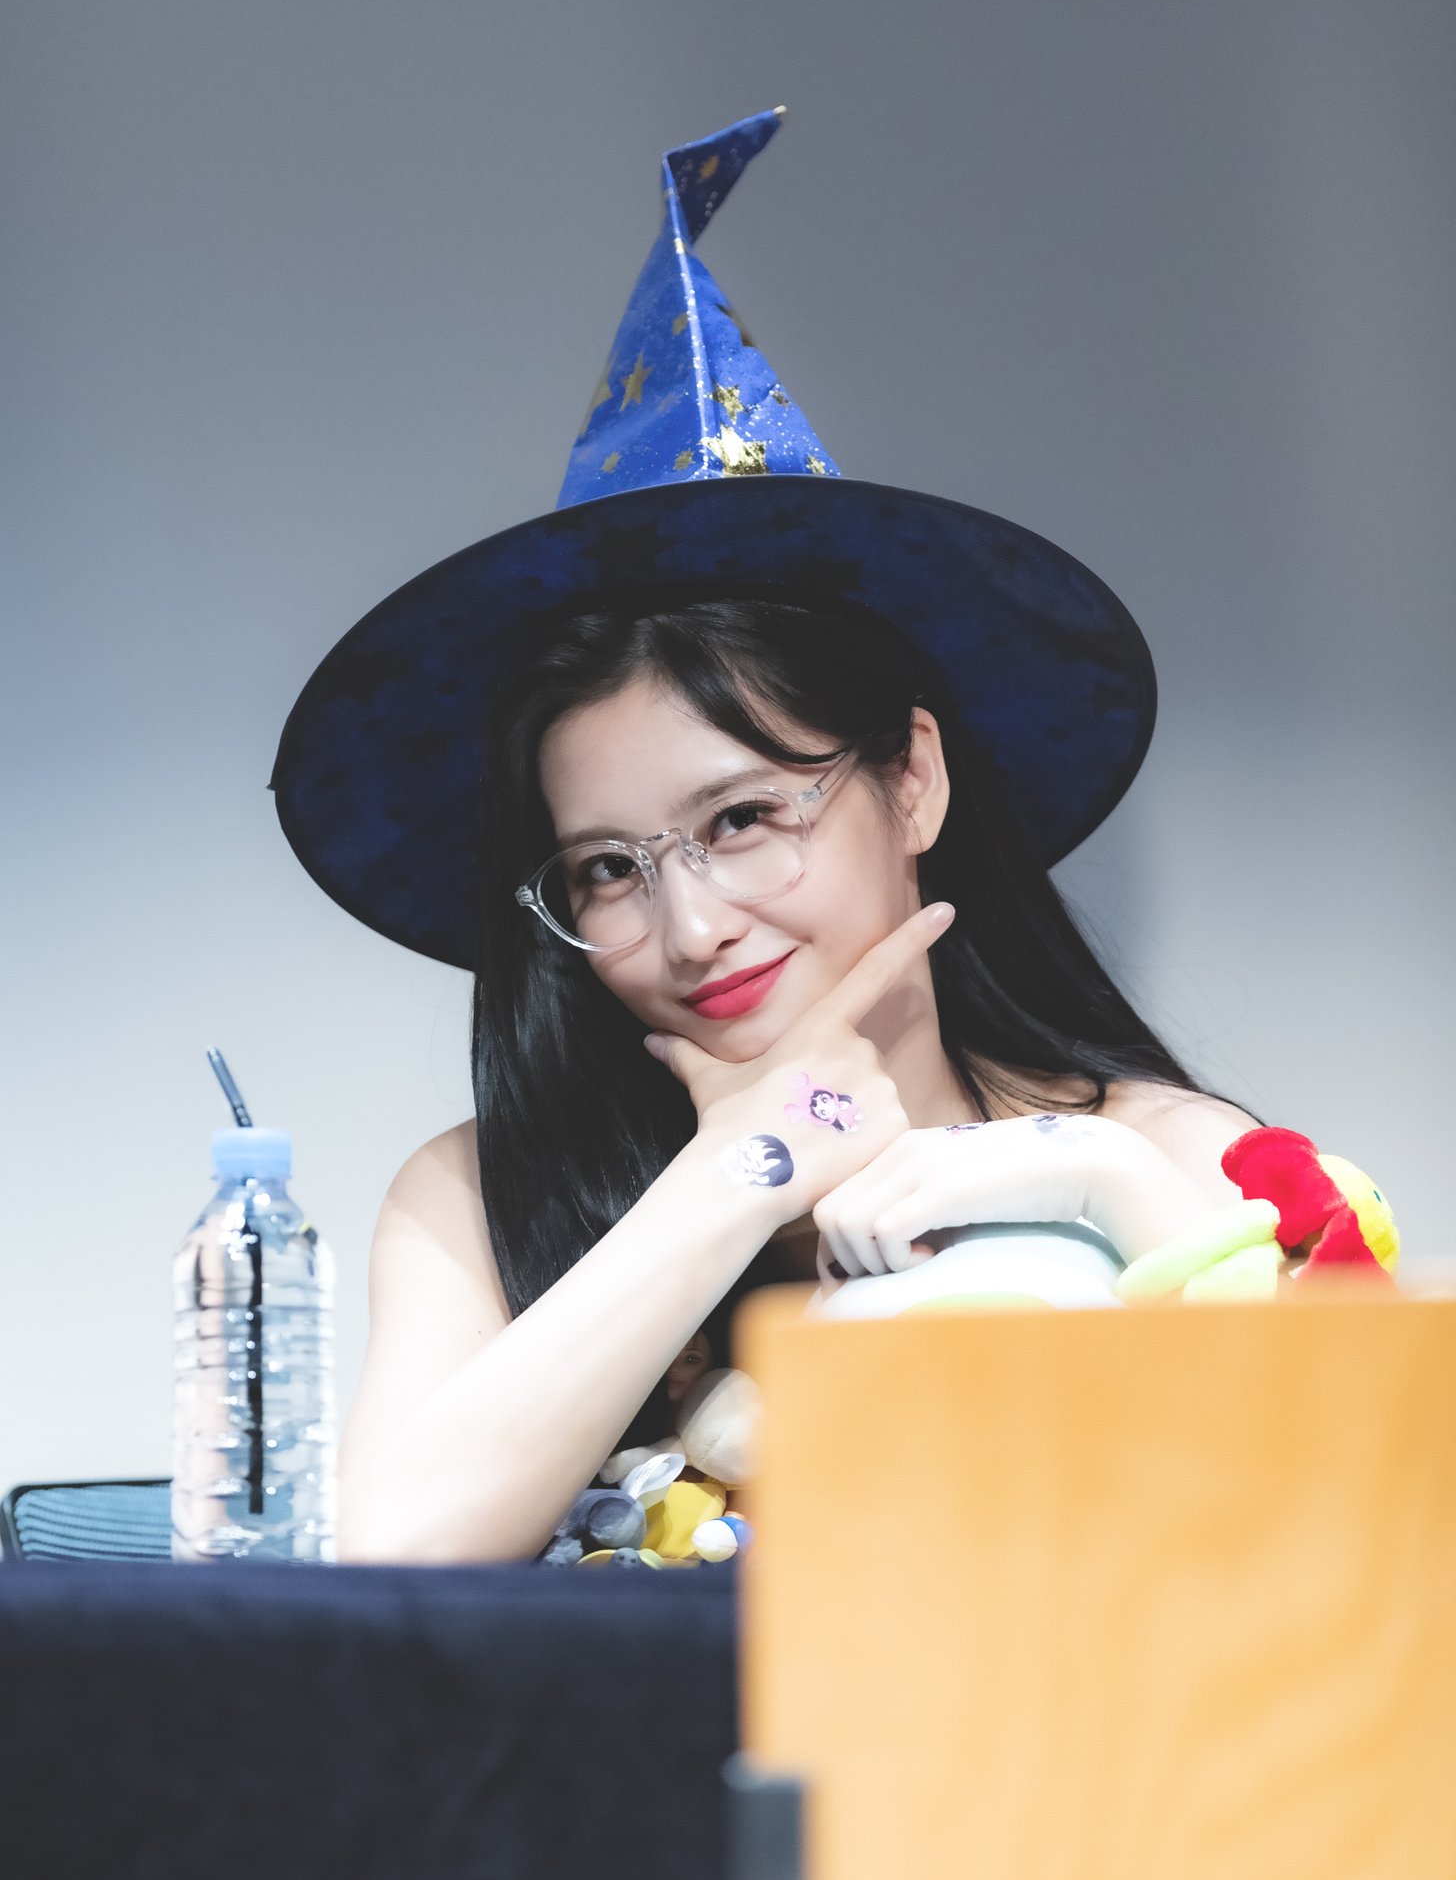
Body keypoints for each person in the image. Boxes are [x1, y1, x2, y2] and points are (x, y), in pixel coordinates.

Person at [267, 109, 1259, 1565]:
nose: (691, 929)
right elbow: (386, 1565)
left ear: (912, 783)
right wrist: (739, 1172)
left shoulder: (1173, 1154)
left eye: (740, 819)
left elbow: (1340, 1559)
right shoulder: (475, 1198)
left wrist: (1108, 1193)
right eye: (606, 870)